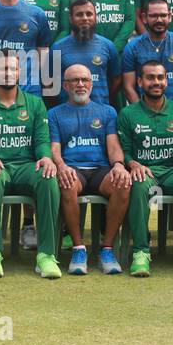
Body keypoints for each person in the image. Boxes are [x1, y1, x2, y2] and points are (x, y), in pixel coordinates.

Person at [0, 53, 62, 279]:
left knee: (48, 178)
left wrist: (46, 157)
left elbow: (41, 141)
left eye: (12, 69)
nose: (8, 73)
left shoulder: (35, 104)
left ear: (20, 73)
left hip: (27, 167)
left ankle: (46, 254)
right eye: (2, 69)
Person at [117, 59, 173, 277]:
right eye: (150, 78)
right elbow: (125, 150)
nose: (156, 82)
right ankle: (140, 251)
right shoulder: (127, 114)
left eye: (160, 77)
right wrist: (133, 163)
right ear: (140, 81)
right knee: (138, 184)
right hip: (145, 171)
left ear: (167, 81)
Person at [49, 63, 129, 275]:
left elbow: (113, 145)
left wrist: (119, 165)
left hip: (101, 169)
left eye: (85, 80)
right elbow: (54, 148)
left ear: (92, 84)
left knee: (123, 183)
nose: (80, 84)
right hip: (73, 168)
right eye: (75, 80)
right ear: (65, 86)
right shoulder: (55, 114)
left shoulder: (107, 111)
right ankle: (78, 248)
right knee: (66, 182)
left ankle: (107, 249)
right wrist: (61, 166)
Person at [122, 0, 173, 105]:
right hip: (143, 113)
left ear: (170, 17)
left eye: (163, 15)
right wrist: (139, 114)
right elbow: (128, 87)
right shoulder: (132, 47)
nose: (159, 20)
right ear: (144, 18)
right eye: (154, 16)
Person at [51, 0, 122, 107]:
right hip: (67, 114)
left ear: (96, 17)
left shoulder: (108, 46)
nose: (85, 18)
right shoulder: (57, 48)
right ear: (71, 19)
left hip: (100, 113)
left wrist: (101, 98)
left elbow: (117, 79)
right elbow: (50, 85)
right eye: (79, 15)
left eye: (89, 14)